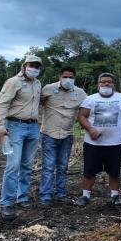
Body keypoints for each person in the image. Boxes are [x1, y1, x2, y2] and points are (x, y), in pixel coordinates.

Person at [75, 73, 121, 207]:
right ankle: (85, 196)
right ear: (98, 84)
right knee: (89, 171)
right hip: (93, 144)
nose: (106, 84)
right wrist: (90, 129)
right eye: (103, 82)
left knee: (114, 171)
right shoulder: (90, 99)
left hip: (115, 143)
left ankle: (115, 196)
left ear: (113, 84)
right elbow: (81, 116)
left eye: (109, 82)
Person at [0, 55, 43, 219]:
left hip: (33, 127)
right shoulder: (13, 82)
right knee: (13, 165)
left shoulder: (37, 83)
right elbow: (2, 104)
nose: (34, 68)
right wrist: (0, 126)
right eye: (31, 65)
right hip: (15, 126)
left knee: (27, 165)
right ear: (24, 65)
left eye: (37, 66)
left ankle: (22, 198)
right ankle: (6, 203)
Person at [39, 67, 87, 206]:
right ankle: (46, 195)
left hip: (67, 135)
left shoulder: (80, 93)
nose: (68, 79)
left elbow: (89, 107)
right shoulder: (48, 89)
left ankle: (61, 193)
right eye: (65, 76)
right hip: (49, 134)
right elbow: (36, 101)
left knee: (63, 166)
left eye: (71, 77)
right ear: (60, 76)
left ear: (75, 78)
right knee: (48, 166)